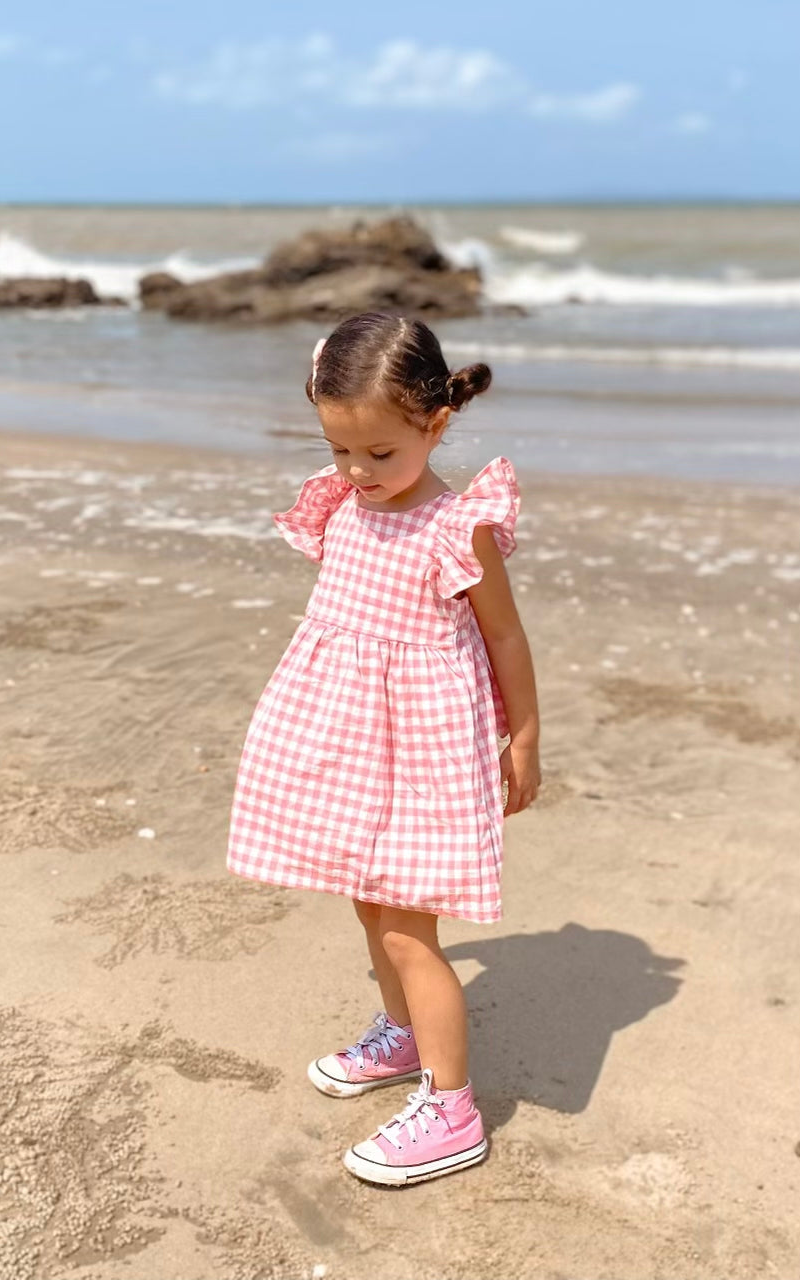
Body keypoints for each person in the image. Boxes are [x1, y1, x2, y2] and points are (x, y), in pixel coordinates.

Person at [226, 311, 541, 1186]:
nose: (357, 474)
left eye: (379, 455)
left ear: (434, 425)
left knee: (408, 928)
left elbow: (505, 640)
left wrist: (525, 738)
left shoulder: (456, 526)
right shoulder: (341, 506)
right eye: (340, 453)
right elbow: (352, 628)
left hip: (428, 753)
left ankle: (453, 1107)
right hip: (356, 744)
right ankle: (404, 1036)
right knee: (371, 903)